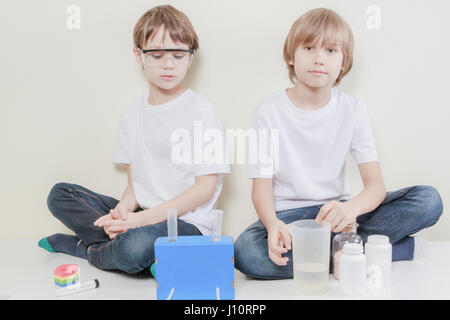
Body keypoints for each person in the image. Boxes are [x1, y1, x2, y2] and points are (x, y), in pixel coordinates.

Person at [234, 8, 443, 279]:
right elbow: (260, 189)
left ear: (343, 62)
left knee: (429, 200)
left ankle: (342, 250)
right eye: (309, 47)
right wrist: (273, 225)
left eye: (331, 51)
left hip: (340, 213)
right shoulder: (267, 111)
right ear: (291, 55)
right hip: (291, 219)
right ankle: (371, 252)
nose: (319, 59)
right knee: (246, 252)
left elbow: (375, 186)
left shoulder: (353, 109)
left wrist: (350, 209)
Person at [39, 5, 229, 275]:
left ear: (190, 57)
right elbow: (134, 187)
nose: (168, 64)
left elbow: (204, 189)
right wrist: (120, 214)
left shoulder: (201, 112)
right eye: (157, 55)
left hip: (187, 224)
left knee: (136, 245)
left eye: (178, 55)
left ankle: (86, 249)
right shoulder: (130, 115)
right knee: (60, 194)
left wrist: (137, 222)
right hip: (142, 212)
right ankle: (128, 250)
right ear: (138, 56)